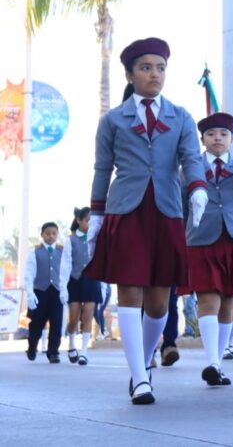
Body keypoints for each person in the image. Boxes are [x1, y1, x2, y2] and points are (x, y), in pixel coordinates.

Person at [83, 37, 208, 405]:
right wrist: (96, 215)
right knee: (130, 293)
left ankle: (145, 359)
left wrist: (198, 188)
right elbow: (102, 169)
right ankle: (139, 379)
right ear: (129, 74)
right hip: (126, 212)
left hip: (167, 211)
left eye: (160, 67)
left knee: (158, 304)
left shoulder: (181, 116)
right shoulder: (112, 120)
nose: (154, 74)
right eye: (146, 67)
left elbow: (191, 159)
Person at [181, 112, 233, 387]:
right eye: (212, 134)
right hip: (201, 241)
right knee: (208, 302)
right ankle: (212, 361)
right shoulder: (190, 170)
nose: (218, 138)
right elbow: (180, 206)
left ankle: (219, 363)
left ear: (231, 139)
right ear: (202, 139)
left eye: (223, 134)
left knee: (229, 307)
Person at [60, 207, 102, 365]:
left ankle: (84, 352)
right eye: (87, 220)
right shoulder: (70, 240)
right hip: (75, 281)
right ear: (79, 220)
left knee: (87, 316)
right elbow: (65, 266)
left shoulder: (96, 239)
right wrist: (63, 287)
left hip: (91, 280)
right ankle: (71, 343)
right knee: (74, 318)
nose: (90, 223)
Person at [24, 222, 64, 363]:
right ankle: (32, 346)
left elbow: (65, 272)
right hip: (40, 291)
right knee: (37, 322)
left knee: (56, 322)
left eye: (54, 233)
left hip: (56, 292)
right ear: (42, 235)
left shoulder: (62, 251)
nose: (51, 236)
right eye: (47, 233)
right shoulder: (35, 252)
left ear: (57, 235)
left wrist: (65, 289)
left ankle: (53, 352)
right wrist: (30, 292)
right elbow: (29, 274)